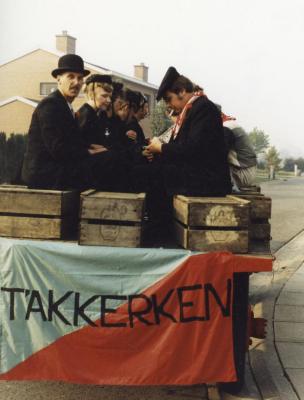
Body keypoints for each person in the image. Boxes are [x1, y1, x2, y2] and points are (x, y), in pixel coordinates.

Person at [21, 54, 127, 191]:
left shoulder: (65, 106)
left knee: (111, 158)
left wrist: (91, 146)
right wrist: (88, 151)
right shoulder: (50, 105)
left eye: (80, 78)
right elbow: (58, 149)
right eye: (70, 76)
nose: (76, 82)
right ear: (58, 79)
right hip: (46, 174)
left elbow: (70, 142)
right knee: (108, 161)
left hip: (57, 169)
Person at [146, 66, 231, 196]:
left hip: (207, 181)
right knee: (147, 169)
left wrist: (161, 147)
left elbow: (192, 149)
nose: (168, 105)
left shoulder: (204, 108)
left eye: (168, 99)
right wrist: (156, 151)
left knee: (150, 175)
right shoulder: (192, 110)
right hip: (197, 176)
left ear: (181, 91)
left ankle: (159, 217)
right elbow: (181, 148)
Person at [221, 111, 257, 190]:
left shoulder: (227, 127)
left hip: (243, 173)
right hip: (246, 170)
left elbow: (220, 155)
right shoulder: (229, 124)